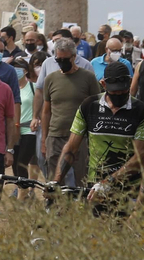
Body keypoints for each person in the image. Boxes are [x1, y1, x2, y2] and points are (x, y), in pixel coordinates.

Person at [52, 61, 144, 205]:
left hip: (129, 187)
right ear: (103, 84)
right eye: (114, 92)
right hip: (94, 184)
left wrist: (109, 181)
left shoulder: (140, 110)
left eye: (123, 91)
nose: (119, 95)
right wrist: (56, 181)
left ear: (129, 82)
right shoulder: (89, 106)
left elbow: (140, 157)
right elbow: (72, 147)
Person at [36, 37, 99, 186]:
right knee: (54, 180)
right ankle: (57, 207)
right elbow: (46, 111)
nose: (62, 62)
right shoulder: (51, 79)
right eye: (59, 59)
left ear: (74, 57)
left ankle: (80, 208)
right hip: (55, 135)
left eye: (65, 59)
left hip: (80, 137)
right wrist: (44, 139)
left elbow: (95, 107)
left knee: (81, 179)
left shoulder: (88, 77)